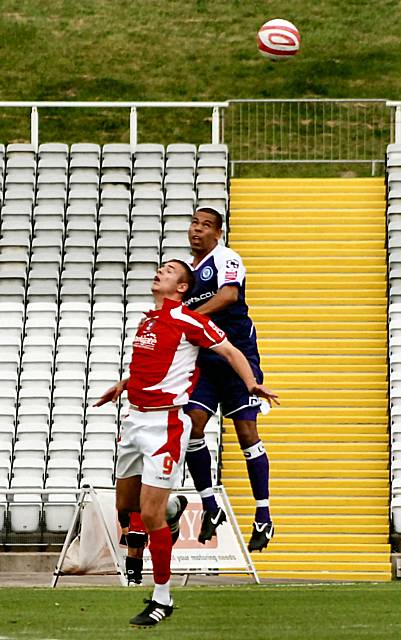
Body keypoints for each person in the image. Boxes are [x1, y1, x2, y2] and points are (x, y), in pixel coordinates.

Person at [94, 259, 278, 628]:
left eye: (168, 270)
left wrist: (251, 382)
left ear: (181, 287)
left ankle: (162, 598)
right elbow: (152, 363)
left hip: (165, 425)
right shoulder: (148, 319)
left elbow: (230, 351)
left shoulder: (189, 319)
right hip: (134, 420)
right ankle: (175, 509)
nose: (159, 272)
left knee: (148, 515)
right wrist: (124, 384)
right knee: (125, 507)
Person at [184, 207, 280, 552]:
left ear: (218, 233)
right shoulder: (187, 273)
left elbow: (229, 296)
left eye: (206, 225)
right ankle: (211, 507)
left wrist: (188, 316)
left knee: (245, 432)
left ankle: (263, 516)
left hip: (238, 357)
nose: (198, 230)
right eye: (194, 223)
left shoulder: (226, 258)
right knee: (191, 426)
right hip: (207, 361)